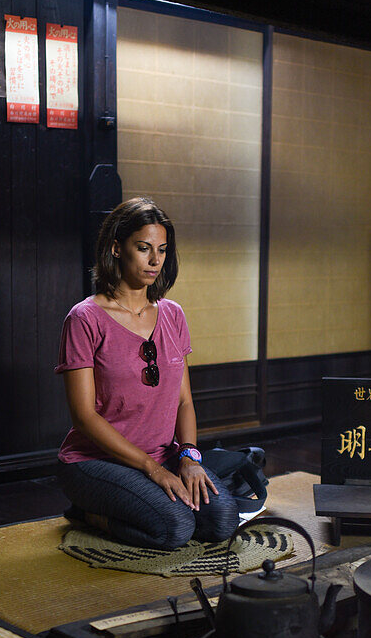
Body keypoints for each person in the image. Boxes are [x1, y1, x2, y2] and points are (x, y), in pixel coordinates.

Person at [55, 197, 239, 551]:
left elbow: (184, 400)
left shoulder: (173, 314)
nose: (155, 260)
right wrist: (152, 470)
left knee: (222, 521)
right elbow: (83, 417)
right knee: (174, 529)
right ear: (116, 248)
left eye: (162, 250)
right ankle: (87, 513)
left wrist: (188, 456)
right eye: (143, 248)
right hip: (94, 462)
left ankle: (143, 499)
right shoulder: (84, 318)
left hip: (163, 454)